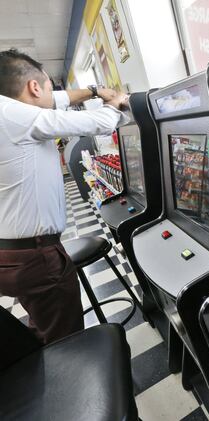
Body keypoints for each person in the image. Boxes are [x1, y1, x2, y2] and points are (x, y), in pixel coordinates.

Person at [0, 48, 129, 344]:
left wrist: (96, 90)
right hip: (35, 255)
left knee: (44, 323)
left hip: (11, 253)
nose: (54, 95)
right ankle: (71, 383)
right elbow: (89, 123)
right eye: (48, 86)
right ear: (34, 87)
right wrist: (118, 104)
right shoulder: (13, 115)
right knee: (65, 339)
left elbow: (53, 101)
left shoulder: (9, 114)